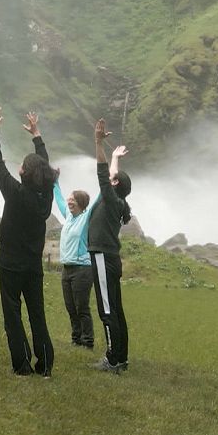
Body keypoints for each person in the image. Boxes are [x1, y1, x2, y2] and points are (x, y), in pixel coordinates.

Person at [0, 105, 56, 377]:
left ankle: (22, 364)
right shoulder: (46, 196)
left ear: (24, 173)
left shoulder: (16, 194)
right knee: (37, 314)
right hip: (33, 265)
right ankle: (46, 364)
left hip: (9, 262)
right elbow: (45, 165)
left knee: (13, 314)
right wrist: (37, 136)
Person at [86, 118, 133, 373]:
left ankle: (112, 360)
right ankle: (121, 358)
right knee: (116, 308)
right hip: (110, 257)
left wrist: (98, 143)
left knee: (106, 309)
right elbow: (112, 175)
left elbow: (103, 173)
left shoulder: (111, 198)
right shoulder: (119, 202)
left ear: (115, 185)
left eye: (113, 179)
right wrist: (116, 156)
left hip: (103, 257)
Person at [53, 179, 96, 349]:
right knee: (71, 307)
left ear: (81, 204)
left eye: (73, 200)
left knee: (81, 307)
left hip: (82, 269)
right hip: (67, 269)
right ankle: (76, 339)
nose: (69, 201)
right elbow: (59, 200)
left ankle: (88, 341)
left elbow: (100, 198)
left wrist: (108, 180)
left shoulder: (85, 217)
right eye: (69, 199)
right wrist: (55, 181)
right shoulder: (69, 216)